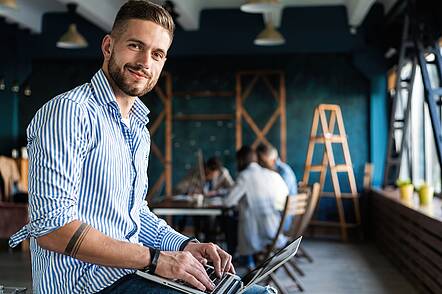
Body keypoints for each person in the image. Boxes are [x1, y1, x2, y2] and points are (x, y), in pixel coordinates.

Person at [9, 2, 275, 293]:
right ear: (108, 46)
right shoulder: (70, 112)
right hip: (85, 285)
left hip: (130, 274)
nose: (145, 61)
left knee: (255, 291)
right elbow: (53, 230)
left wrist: (186, 245)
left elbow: (134, 214)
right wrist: (156, 260)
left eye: (157, 54)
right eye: (136, 46)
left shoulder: (137, 126)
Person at [223, 146, 288, 269]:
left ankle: (239, 260)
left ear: (240, 161)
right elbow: (284, 196)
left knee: (228, 221)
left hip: (258, 232)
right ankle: (246, 261)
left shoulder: (244, 176)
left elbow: (228, 202)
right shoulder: (271, 174)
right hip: (276, 227)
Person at [256, 143, 298, 230]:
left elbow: (277, 198)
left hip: (283, 220)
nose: (260, 164)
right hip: (280, 215)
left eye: (262, 161)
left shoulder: (283, 173)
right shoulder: (278, 171)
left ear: (272, 160)